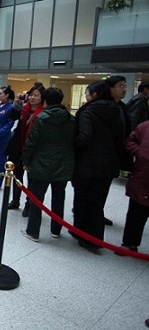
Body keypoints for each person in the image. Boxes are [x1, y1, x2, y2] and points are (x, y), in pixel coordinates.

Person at [73, 80, 124, 254]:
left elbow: (85, 136)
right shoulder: (116, 111)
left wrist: (73, 144)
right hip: (108, 163)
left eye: (87, 93)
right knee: (97, 202)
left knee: (82, 199)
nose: (86, 96)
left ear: (94, 94)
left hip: (87, 163)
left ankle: (81, 233)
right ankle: (95, 238)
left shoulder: (88, 112)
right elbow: (120, 138)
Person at [20, 88, 75, 242]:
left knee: (36, 199)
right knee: (59, 197)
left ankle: (33, 231)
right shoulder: (71, 119)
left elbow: (31, 142)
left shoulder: (41, 118)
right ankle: (56, 230)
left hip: (41, 163)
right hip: (63, 163)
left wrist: (26, 161)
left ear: (45, 101)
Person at [6, 82, 45, 216]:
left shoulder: (43, 112)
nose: (32, 98)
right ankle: (15, 200)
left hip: (34, 150)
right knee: (17, 176)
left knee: (32, 179)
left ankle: (29, 204)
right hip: (18, 147)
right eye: (31, 95)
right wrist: (17, 104)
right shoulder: (24, 108)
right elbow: (12, 116)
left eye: (36, 95)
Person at [118, 120, 149, 253]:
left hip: (142, 176)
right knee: (136, 214)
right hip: (143, 177)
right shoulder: (145, 126)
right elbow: (130, 141)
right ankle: (129, 243)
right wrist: (140, 152)